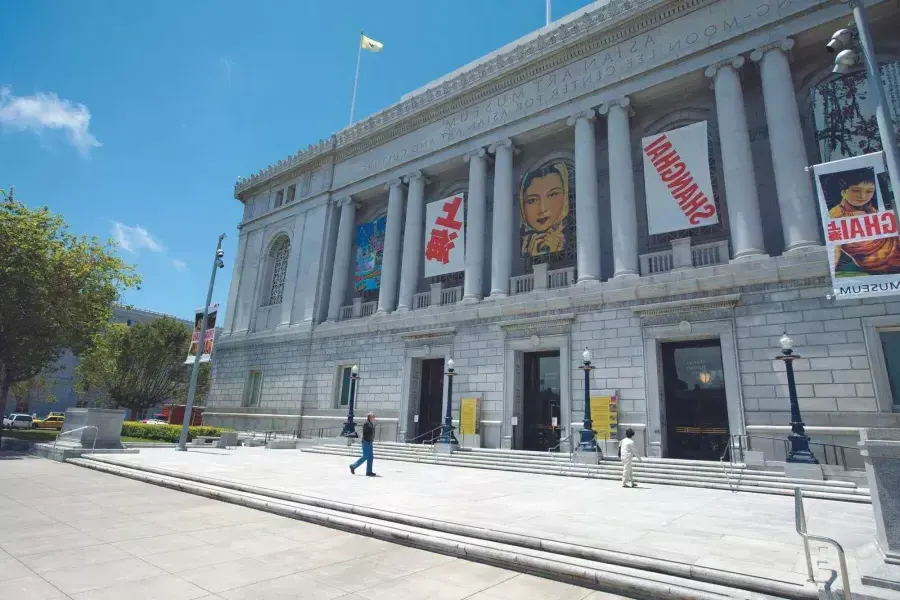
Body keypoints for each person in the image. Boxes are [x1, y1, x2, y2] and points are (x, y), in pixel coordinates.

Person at [827, 168, 900, 275]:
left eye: (869, 191)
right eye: (856, 190)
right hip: (874, 267)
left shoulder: (869, 208)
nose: (863, 196)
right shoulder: (836, 214)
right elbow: (835, 246)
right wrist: (832, 271)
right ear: (843, 192)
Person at [520, 162, 570, 256]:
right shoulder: (519, 244)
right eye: (532, 200)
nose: (542, 209)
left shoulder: (573, 233)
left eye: (552, 195)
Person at [350, 412, 376, 477]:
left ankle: (369, 471)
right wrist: (367, 440)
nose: (374, 418)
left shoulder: (371, 424)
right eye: (373, 416)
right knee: (365, 456)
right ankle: (353, 466)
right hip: (366, 442)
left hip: (370, 442)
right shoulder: (366, 424)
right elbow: (365, 434)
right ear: (370, 417)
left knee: (370, 457)